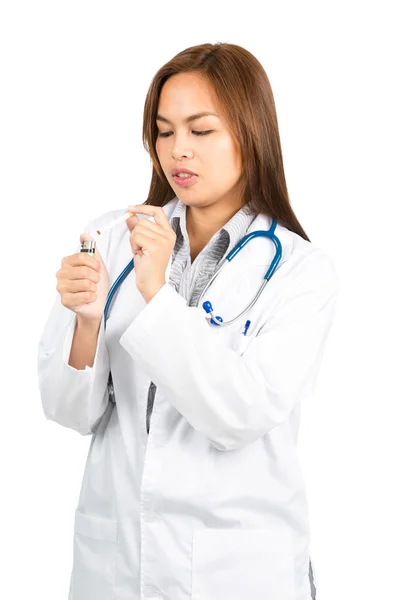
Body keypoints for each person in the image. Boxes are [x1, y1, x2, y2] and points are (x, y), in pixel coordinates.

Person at [37, 42, 339, 600]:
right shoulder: (110, 238)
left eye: (201, 131)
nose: (178, 151)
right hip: (116, 564)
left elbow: (240, 414)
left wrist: (156, 297)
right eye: (164, 130)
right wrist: (84, 322)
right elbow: (67, 411)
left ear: (251, 133)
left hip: (239, 570)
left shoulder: (301, 271)